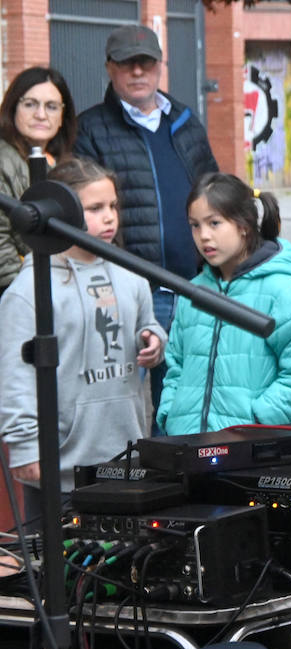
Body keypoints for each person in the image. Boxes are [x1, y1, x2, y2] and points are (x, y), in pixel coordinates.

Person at [0, 158, 165, 521]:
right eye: (95, 208)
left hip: (125, 457)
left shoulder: (131, 274)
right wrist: (26, 448)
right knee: (60, 570)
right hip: (60, 468)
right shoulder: (29, 290)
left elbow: (146, 324)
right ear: (62, 212)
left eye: (112, 206)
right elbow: (14, 375)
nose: (109, 217)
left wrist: (153, 339)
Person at [75, 24, 219, 416]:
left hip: (194, 288)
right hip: (134, 294)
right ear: (110, 69)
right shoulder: (91, 129)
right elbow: (84, 211)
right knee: (132, 409)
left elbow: (214, 197)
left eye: (146, 63)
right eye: (127, 64)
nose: (137, 72)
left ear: (160, 66)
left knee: (192, 403)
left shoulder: (186, 122)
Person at [155, 173, 291, 436]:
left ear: (243, 225)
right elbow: (176, 365)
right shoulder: (193, 291)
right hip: (188, 443)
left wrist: (259, 420)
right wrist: (170, 412)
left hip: (249, 448)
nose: (204, 236)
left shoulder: (281, 291)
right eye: (195, 225)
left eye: (214, 223)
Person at [0, 67, 79, 296]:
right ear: (13, 107)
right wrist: (34, 292)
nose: (41, 115)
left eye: (51, 106)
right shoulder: (4, 160)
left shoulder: (67, 164)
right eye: (30, 104)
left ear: (63, 116)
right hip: (23, 295)